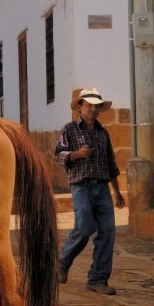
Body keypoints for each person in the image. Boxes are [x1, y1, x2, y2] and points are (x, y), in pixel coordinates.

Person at [54, 87, 126, 295]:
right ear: (80, 107)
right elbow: (57, 155)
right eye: (89, 105)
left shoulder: (103, 134)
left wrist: (117, 193)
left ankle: (98, 279)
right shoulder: (69, 129)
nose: (93, 110)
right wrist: (77, 154)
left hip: (102, 188)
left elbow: (111, 165)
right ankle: (62, 262)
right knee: (85, 228)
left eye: (96, 106)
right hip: (81, 187)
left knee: (108, 233)